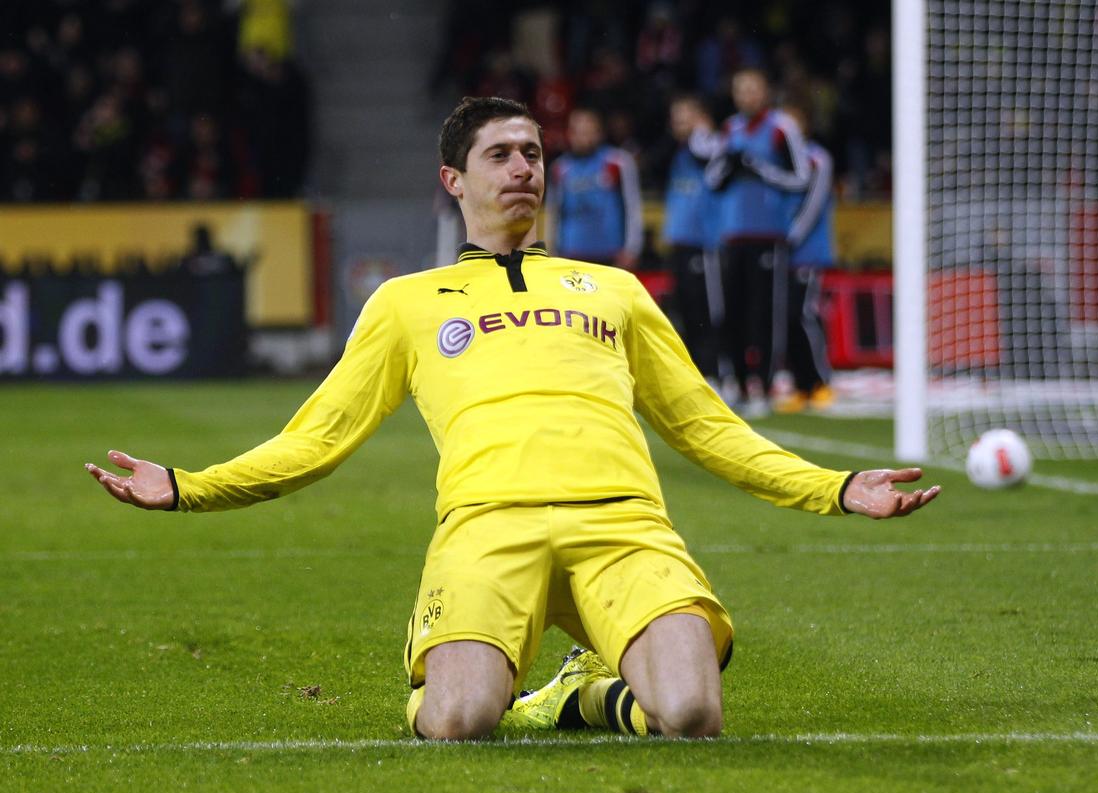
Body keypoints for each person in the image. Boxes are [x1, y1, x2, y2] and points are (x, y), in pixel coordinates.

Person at [86, 96, 941, 741]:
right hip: (487, 529)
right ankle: (527, 687)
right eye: (501, 154)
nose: (524, 167)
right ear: (455, 180)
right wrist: (192, 488)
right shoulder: (406, 303)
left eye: (533, 152)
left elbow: (708, 427)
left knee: (689, 714)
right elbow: (318, 438)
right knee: (458, 723)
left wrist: (833, 489)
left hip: (624, 526)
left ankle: (591, 690)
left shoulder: (614, 289)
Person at [705, 67, 811, 419]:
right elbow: (712, 178)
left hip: (769, 236)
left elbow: (801, 178)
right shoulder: (730, 129)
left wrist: (760, 168)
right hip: (733, 235)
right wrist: (729, 166)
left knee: (765, 314)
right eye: (741, 90)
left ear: (765, 91)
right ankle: (735, 383)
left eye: (753, 89)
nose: (747, 95)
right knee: (731, 314)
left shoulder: (782, 127)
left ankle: (763, 388)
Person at [662, 93, 723, 385]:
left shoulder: (710, 146)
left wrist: (701, 130)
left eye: (683, 117)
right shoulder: (679, 152)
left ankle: (715, 371)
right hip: (680, 242)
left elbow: (710, 154)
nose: (677, 124)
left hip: (704, 243)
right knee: (685, 311)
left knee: (707, 310)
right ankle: (697, 372)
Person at [774, 136, 837, 413]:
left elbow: (814, 203)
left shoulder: (816, 158)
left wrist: (790, 236)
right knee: (785, 317)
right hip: (780, 251)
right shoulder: (775, 161)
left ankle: (820, 382)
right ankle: (801, 385)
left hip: (807, 251)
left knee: (804, 313)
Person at [546, 106, 642, 269]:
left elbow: (632, 206)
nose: (583, 137)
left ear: (599, 133)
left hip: (610, 254)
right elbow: (553, 212)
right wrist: (552, 251)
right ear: (570, 133)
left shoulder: (618, 162)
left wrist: (632, 249)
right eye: (577, 131)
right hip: (571, 254)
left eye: (588, 131)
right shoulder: (559, 168)